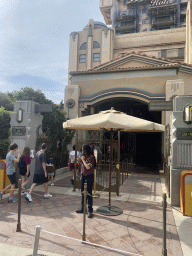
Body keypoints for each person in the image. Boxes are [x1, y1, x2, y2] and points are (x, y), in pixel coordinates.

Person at [76, 145, 96, 218]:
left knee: (89, 193)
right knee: (82, 193)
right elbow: (83, 166)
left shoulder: (91, 158)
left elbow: (88, 167)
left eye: (83, 150)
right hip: (83, 176)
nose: (82, 152)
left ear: (86, 151)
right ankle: (82, 208)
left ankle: (90, 210)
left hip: (89, 177)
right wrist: (80, 161)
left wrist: (83, 160)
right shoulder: (86, 158)